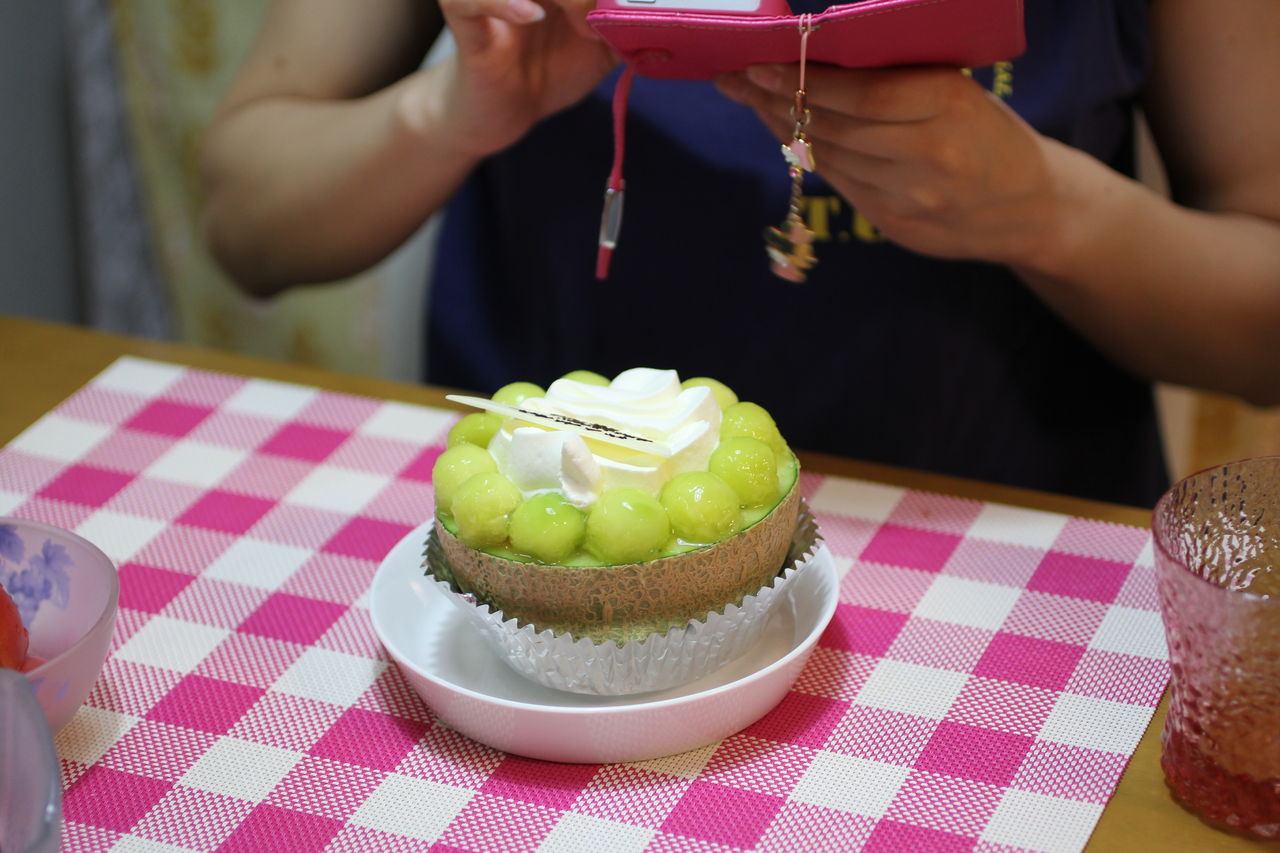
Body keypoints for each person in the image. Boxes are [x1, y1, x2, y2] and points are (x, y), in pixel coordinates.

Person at [199, 0, 1280, 508]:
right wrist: (451, 109)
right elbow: (246, 222)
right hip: (556, 555)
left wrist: (1047, 210)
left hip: (1006, 557)